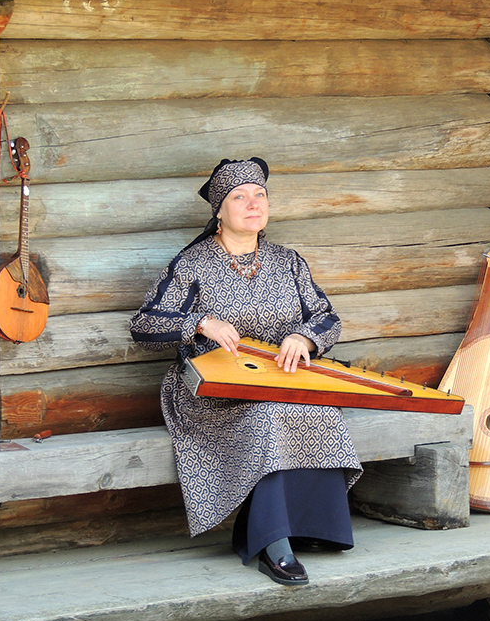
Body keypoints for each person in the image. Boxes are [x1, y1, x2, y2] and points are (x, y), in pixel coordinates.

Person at [130, 157, 362, 586]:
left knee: (321, 409)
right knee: (270, 417)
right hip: (211, 391)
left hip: (277, 379)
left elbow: (327, 317)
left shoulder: (288, 262)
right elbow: (143, 324)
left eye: (260, 195)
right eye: (239, 197)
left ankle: (309, 527)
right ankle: (272, 544)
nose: (252, 204)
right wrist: (201, 322)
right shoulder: (193, 264)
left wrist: (305, 338)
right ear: (219, 210)